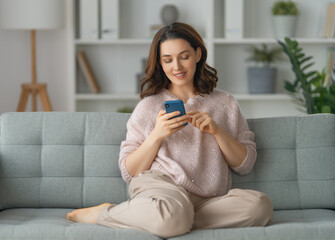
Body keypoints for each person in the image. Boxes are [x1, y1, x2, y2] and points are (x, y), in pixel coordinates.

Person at [66, 22, 273, 238]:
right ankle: (105, 214)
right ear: (160, 63)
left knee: (260, 206)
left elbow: (245, 165)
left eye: (184, 56)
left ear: (198, 54)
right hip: (160, 188)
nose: (177, 67)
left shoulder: (226, 103)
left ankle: (174, 220)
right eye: (168, 60)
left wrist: (216, 131)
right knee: (175, 212)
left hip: (208, 199)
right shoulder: (149, 106)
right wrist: (157, 135)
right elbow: (130, 171)